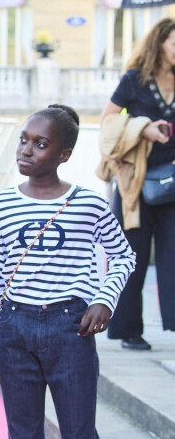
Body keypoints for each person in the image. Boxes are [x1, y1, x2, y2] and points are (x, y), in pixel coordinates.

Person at [0, 104, 136, 439]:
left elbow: (123, 256)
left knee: (78, 431)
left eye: (40, 144)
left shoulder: (89, 204)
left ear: (65, 155)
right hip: (14, 329)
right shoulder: (1, 205)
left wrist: (104, 300)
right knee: (23, 432)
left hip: (70, 329)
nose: (26, 150)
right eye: (23, 140)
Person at [98, 17, 175, 350]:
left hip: (173, 181)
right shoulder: (135, 80)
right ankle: (128, 330)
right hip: (136, 182)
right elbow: (108, 120)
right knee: (132, 254)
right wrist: (142, 127)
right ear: (158, 44)